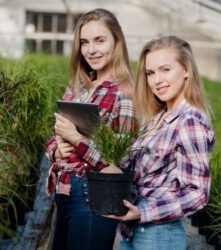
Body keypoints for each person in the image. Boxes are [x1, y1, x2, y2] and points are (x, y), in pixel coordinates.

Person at [105, 36, 216, 250]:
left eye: (165, 69)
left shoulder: (190, 121)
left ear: (186, 70)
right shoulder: (158, 118)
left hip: (158, 235)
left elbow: (197, 193)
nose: (157, 80)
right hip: (134, 230)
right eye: (150, 73)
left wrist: (143, 212)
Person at [45, 8, 136, 250]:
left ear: (117, 41)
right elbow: (53, 138)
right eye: (84, 42)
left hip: (94, 194)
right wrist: (57, 150)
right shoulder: (77, 88)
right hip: (64, 192)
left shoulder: (124, 93)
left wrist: (75, 138)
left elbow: (121, 161)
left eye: (100, 40)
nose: (91, 50)